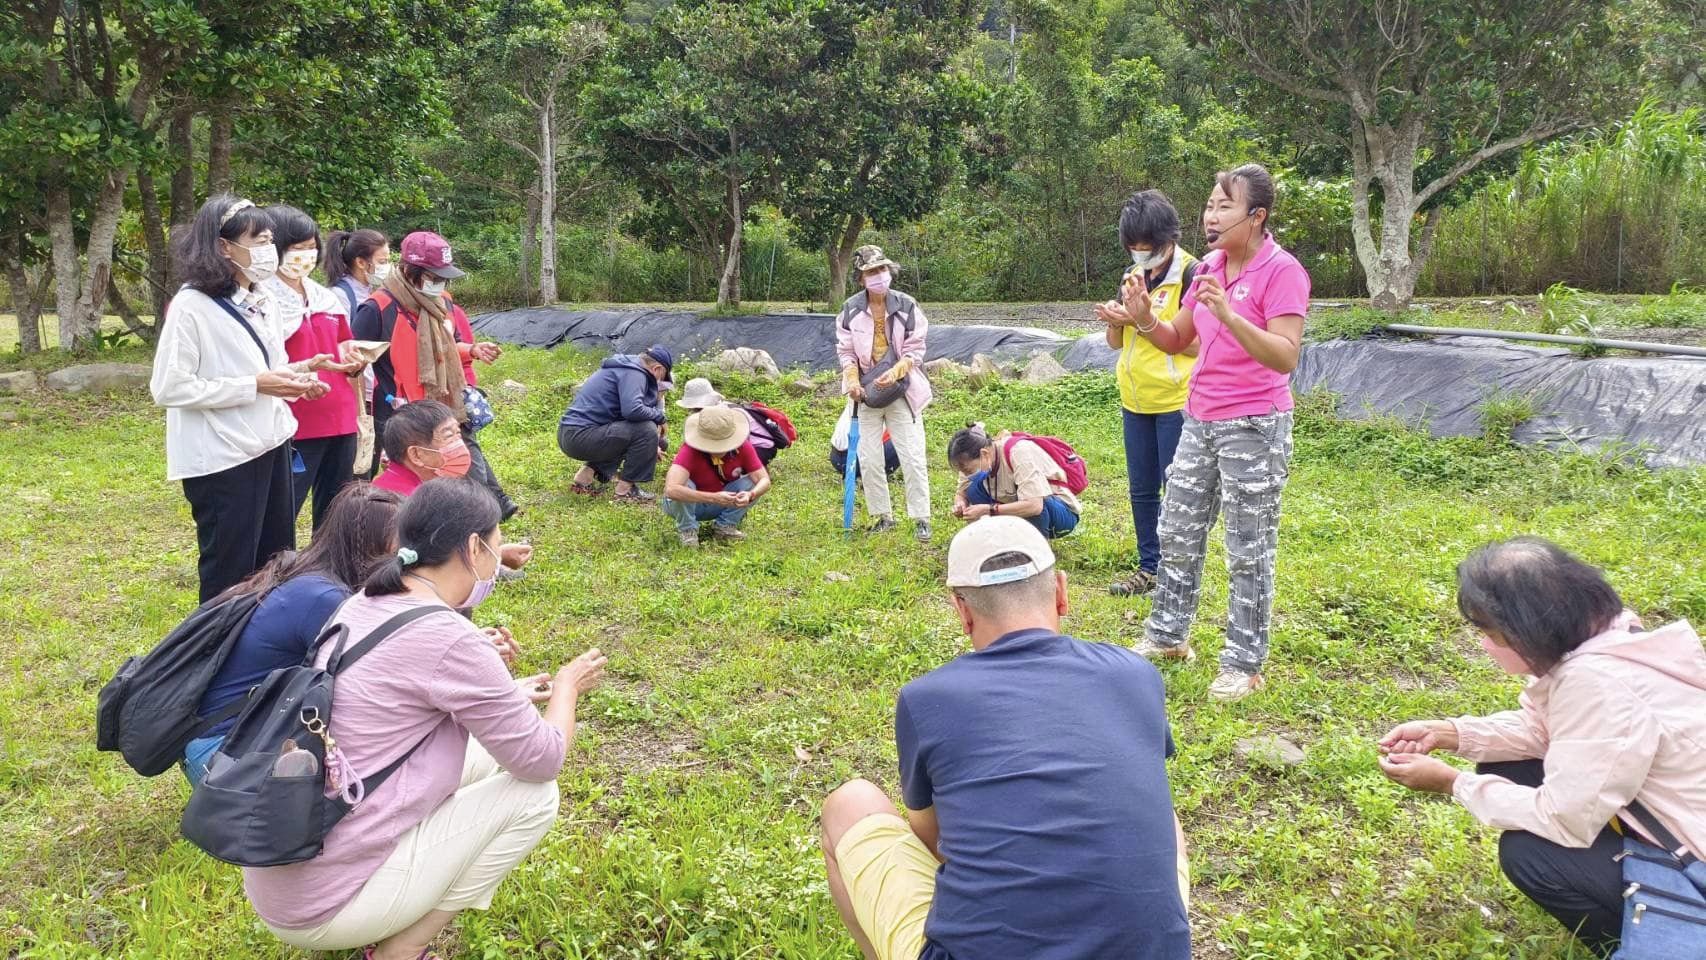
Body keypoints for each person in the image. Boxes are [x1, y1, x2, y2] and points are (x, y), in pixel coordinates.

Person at [243, 478, 607, 960]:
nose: (499, 558)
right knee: (534, 797)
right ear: (475, 548)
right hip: (323, 906)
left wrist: (510, 693)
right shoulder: (450, 637)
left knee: (478, 752)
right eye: (497, 544)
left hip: (283, 869)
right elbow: (542, 759)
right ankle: (401, 949)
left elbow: (398, 705)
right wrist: (567, 689)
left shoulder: (363, 603)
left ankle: (387, 895)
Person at [820, 516, 1190, 960]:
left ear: (962, 612)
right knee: (1162, 813)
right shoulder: (1138, 674)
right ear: (1061, 593)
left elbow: (933, 837)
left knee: (850, 802)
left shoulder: (927, 698)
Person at [1378, 537, 1706, 956]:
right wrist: (1450, 733)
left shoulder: (1599, 685)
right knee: (1508, 764)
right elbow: (1550, 732)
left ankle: (1646, 935)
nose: (1485, 645)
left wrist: (1452, 784)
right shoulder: (1613, 635)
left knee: (1530, 854)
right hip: (1666, 813)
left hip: (1692, 853)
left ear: (1528, 628)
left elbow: (1564, 819)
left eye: (1491, 634)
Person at [1099, 164, 1310, 702]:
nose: (1210, 218)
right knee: (1177, 530)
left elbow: (1285, 356)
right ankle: (1168, 635)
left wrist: (1232, 316)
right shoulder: (1211, 266)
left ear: (1257, 216)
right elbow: (1176, 340)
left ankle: (1244, 661)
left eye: (1224, 207)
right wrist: (1143, 318)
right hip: (1200, 419)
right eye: (1210, 206)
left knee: (1247, 546)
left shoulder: (1281, 272)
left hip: (1254, 424)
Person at [149, 195, 357, 602]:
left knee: (275, 561)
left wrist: (302, 373)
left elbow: (271, 365)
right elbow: (169, 388)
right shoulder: (193, 306)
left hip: (272, 442)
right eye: (258, 241)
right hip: (223, 456)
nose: (267, 252)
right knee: (231, 569)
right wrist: (256, 386)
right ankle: (213, 650)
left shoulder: (261, 299)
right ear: (224, 246)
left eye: (269, 241)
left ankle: (262, 647)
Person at [183, 484, 403, 784]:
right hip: (223, 753)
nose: (405, 559)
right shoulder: (325, 599)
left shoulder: (310, 574)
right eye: (399, 548)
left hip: (222, 741)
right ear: (372, 546)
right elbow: (372, 681)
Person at [351, 230, 518, 520]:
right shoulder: (378, 309)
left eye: (444, 277)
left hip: (445, 403)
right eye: (433, 276)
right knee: (412, 479)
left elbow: (447, 348)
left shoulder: (443, 303)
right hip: (403, 413)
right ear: (408, 269)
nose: (439, 283)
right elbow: (354, 359)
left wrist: (473, 350)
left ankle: (486, 514)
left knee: (462, 464)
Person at [1102, 191, 1199, 596]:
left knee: (1176, 490)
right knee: (1141, 489)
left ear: (1169, 237)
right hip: (1135, 400)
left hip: (1175, 401)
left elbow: (1194, 344)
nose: (1143, 255)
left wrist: (1144, 320)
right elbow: (1116, 344)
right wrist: (1116, 319)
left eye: (1150, 248)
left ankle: (1179, 573)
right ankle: (1149, 568)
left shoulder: (1194, 274)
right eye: (1134, 249)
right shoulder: (1133, 275)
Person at [262, 204, 365, 530]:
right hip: (295, 422)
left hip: (341, 417)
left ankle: (328, 575)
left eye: (311, 248)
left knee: (337, 513)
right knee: (280, 515)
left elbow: (344, 344)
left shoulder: (325, 297)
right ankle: (273, 576)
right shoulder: (260, 301)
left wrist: (355, 360)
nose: (305, 256)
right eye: (297, 249)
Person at [836, 244, 932, 542]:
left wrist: (897, 371)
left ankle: (921, 518)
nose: (879, 276)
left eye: (882, 270)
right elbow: (847, 352)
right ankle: (883, 516)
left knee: (912, 455)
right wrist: (852, 381)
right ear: (861, 278)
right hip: (865, 392)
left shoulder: (906, 305)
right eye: (871, 272)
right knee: (869, 457)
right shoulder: (850, 309)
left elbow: (916, 349)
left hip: (901, 390)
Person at [374, 401, 533, 573]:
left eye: (459, 434)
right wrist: (495, 557)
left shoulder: (427, 486)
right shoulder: (403, 504)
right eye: (449, 437)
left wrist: (495, 555)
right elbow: (428, 568)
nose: (459, 445)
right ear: (416, 454)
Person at [557, 345, 674, 503]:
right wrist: (660, 417)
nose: (659, 383)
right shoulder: (635, 373)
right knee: (646, 429)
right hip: (580, 436)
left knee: (658, 440)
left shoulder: (626, 367)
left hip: (573, 434)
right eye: (662, 377)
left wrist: (653, 442)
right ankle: (625, 492)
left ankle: (585, 477)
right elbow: (633, 410)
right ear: (657, 368)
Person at [661, 405, 772, 547]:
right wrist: (714, 497)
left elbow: (764, 480)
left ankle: (725, 527)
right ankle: (688, 530)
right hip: (689, 503)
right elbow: (671, 490)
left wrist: (750, 495)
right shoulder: (689, 450)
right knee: (683, 485)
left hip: (721, 501)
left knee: (752, 482)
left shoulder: (743, 447)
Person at [946, 424, 1081, 539]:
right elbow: (962, 493)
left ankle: (1036, 552)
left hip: (1059, 511)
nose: (965, 474)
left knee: (1034, 500)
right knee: (973, 490)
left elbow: (1035, 506)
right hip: (1018, 502)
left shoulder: (1019, 452)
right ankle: (1001, 542)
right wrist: (960, 504)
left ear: (984, 454)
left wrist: (988, 510)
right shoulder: (972, 461)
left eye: (967, 470)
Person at [675, 377, 791, 466]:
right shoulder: (718, 408)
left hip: (762, 448)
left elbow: (736, 443)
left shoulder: (725, 414)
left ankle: (755, 470)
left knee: (721, 466)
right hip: (751, 445)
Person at [325, 228, 392, 318]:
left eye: (388, 261)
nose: (387, 267)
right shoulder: (340, 295)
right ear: (360, 263)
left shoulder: (371, 288)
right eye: (382, 262)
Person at [830, 399, 899, 482]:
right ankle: (875, 476)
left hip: (836, 458)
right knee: (903, 435)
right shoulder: (888, 400)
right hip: (857, 461)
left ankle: (856, 474)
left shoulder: (857, 393)